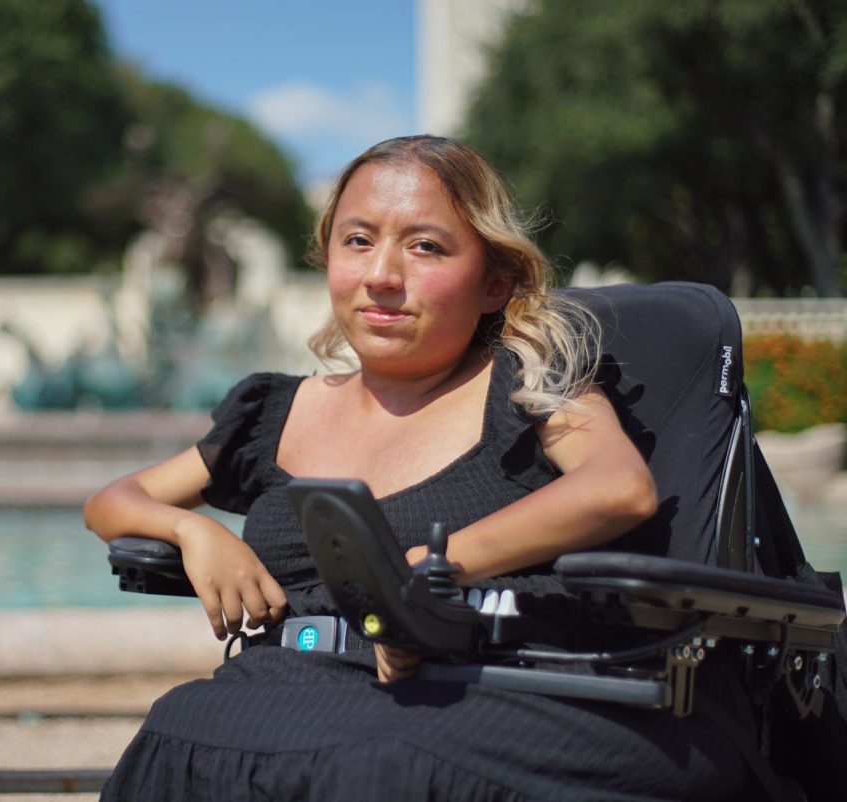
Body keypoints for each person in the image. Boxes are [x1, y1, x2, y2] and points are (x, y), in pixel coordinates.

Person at [84, 136, 759, 801]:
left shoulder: (531, 385)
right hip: (289, 687)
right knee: (180, 730)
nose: (382, 273)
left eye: (425, 245)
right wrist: (194, 533)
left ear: (494, 282)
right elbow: (115, 500)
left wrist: (425, 573)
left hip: (477, 688)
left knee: (378, 765)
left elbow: (619, 488)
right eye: (357, 240)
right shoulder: (276, 411)